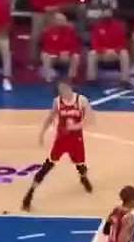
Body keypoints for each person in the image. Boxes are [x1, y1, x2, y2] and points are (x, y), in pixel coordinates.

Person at [21, 80, 94, 211]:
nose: (63, 91)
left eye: (65, 88)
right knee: (47, 165)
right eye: (61, 89)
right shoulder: (57, 101)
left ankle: (83, 178)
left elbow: (90, 119)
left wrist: (75, 126)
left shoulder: (81, 100)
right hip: (61, 139)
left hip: (76, 139)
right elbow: (50, 117)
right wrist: (42, 132)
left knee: (80, 165)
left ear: (70, 87)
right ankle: (29, 194)